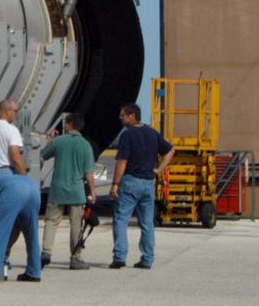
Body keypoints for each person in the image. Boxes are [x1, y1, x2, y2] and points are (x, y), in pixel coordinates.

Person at [109, 103, 174, 270]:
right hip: (147, 183)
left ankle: (119, 257)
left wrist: (115, 183)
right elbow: (170, 151)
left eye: (122, 115)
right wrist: (158, 170)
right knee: (146, 223)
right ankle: (147, 259)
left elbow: (122, 161)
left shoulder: (127, 135)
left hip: (131, 181)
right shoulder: (153, 133)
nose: (121, 118)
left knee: (121, 219)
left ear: (132, 116)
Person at [40, 112, 96, 270]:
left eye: (65, 123)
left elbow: (43, 155)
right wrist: (93, 191)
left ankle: (46, 253)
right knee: (76, 225)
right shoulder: (85, 145)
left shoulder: (58, 141)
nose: (64, 126)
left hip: (57, 190)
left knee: (51, 221)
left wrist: (49, 141)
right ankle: (75, 257)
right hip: (76, 192)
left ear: (70, 124)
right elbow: (89, 174)